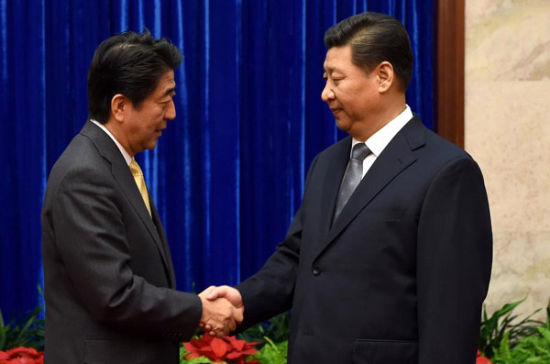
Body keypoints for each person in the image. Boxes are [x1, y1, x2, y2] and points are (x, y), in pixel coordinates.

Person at [206, 12, 493, 363]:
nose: (325, 93)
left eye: (336, 78)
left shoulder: (447, 172)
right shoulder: (326, 164)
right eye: (325, 78)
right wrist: (243, 301)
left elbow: (450, 316)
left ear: (383, 76)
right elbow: (300, 259)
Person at [41, 31, 241, 364]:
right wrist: (199, 311)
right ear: (120, 106)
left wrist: (193, 305)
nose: (173, 113)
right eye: (164, 101)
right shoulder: (85, 175)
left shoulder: (113, 163)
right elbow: (114, 295)